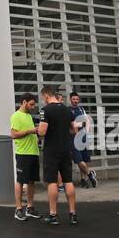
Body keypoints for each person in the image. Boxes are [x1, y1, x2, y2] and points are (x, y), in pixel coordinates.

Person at [37, 86, 79, 226]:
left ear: (47, 96)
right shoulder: (68, 110)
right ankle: (73, 214)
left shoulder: (45, 110)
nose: (43, 101)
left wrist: (37, 130)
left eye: (43, 98)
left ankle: (53, 215)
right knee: (68, 181)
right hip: (66, 149)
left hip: (52, 150)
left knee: (52, 182)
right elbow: (74, 130)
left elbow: (42, 131)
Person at [10, 92, 40, 221]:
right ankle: (18, 209)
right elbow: (13, 134)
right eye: (31, 104)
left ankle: (30, 207)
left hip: (33, 152)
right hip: (23, 153)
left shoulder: (28, 116)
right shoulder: (16, 116)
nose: (33, 107)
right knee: (21, 181)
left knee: (32, 181)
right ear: (24, 102)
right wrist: (30, 131)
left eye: (34, 105)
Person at [68, 92, 98, 188]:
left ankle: (83, 180)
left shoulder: (81, 109)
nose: (75, 101)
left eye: (77, 99)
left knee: (84, 159)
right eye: (74, 99)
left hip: (83, 137)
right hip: (73, 138)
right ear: (70, 99)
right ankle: (90, 174)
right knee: (78, 159)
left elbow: (86, 121)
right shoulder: (68, 110)